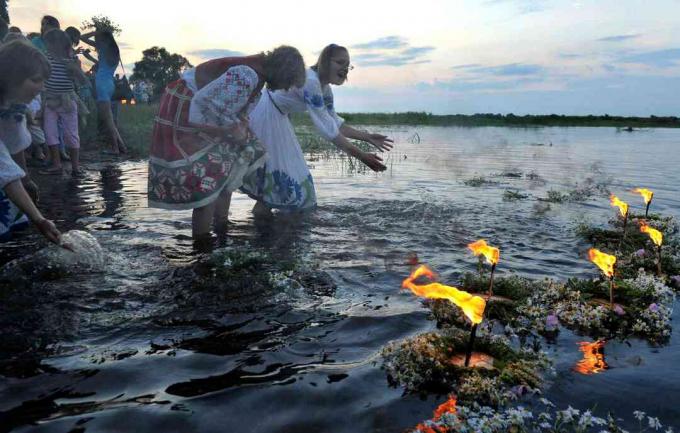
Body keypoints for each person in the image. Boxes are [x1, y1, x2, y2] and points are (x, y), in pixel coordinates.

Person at [147, 46, 306, 237]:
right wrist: (230, 132)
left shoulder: (257, 75)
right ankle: (202, 246)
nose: (285, 88)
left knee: (235, 160)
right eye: (288, 82)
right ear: (283, 72)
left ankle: (221, 228)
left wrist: (239, 128)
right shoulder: (247, 75)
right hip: (185, 108)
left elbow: (232, 108)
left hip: (204, 113)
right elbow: (199, 110)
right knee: (209, 179)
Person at [241, 43, 393, 214]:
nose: (345, 69)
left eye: (348, 65)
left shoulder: (325, 89)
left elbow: (334, 122)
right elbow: (328, 129)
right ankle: (262, 228)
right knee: (281, 176)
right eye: (340, 62)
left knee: (283, 180)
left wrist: (367, 137)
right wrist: (361, 155)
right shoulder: (311, 82)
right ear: (325, 61)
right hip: (265, 115)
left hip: (278, 117)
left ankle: (262, 226)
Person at [0, 40, 63, 244]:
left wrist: (26, 179)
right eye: (36, 80)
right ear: (11, 78)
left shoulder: (12, 105)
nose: (42, 88)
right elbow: (5, 170)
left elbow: (14, 144)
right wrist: (39, 219)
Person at [40, 30, 87, 177]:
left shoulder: (71, 59)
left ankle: (75, 167)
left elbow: (83, 80)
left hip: (67, 100)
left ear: (57, 44)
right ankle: (56, 164)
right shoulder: (46, 57)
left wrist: (76, 70)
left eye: (48, 43)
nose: (46, 45)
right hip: (50, 100)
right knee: (50, 132)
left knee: (71, 134)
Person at [80, 29, 126, 154]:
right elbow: (101, 64)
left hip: (102, 84)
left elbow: (82, 37)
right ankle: (121, 146)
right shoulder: (114, 51)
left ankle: (115, 148)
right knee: (109, 118)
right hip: (109, 84)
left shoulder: (102, 47)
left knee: (108, 120)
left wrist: (96, 32)